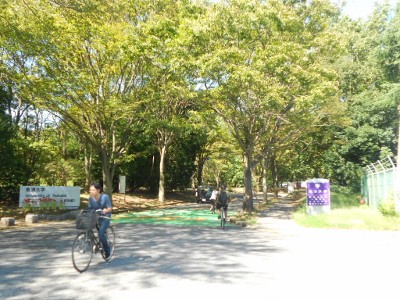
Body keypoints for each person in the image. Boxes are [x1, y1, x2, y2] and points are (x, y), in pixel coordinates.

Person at [88, 182, 112, 260]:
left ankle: (107, 251)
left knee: (101, 234)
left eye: (93, 190)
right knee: (88, 229)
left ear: (98, 190)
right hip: (96, 217)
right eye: (90, 190)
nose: (91, 192)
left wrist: (105, 210)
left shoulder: (105, 197)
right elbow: (90, 209)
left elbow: (110, 208)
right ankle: (94, 244)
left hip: (105, 217)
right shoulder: (91, 199)